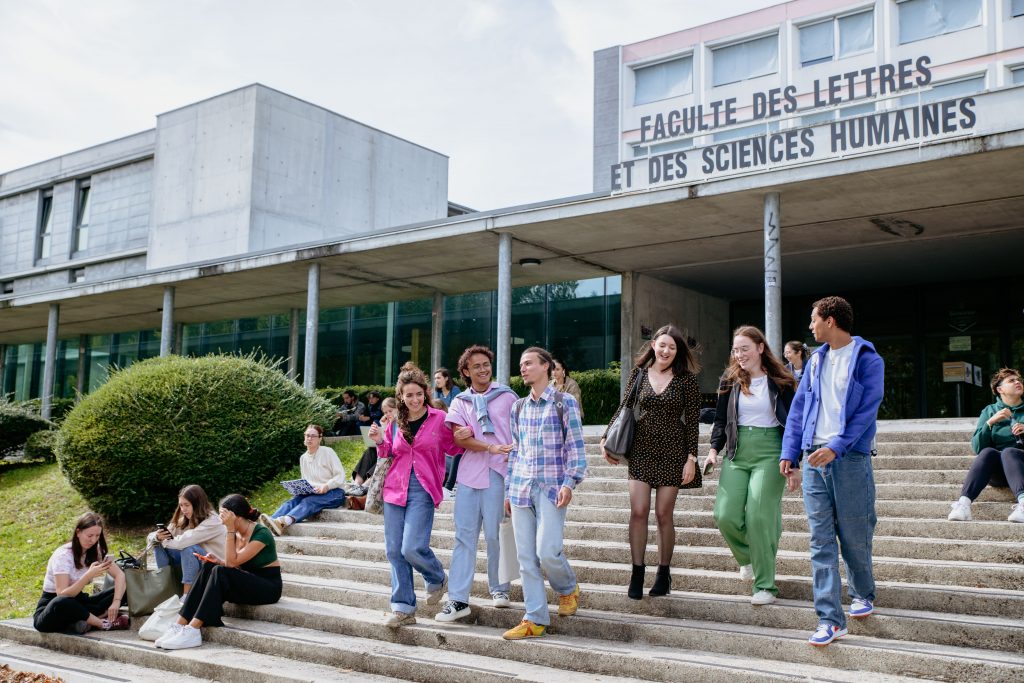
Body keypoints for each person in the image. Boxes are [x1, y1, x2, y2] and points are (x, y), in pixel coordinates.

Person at [780, 296, 884, 647]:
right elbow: (798, 410)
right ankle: (829, 618)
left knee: (855, 533)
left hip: (849, 458)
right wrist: (789, 452)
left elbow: (866, 411)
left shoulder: (868, 359)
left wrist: (837, 446)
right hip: (812, 459)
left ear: (830, 320)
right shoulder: (813, 362)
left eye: (814, 320)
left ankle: (862, 592)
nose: (810, 326)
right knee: (820, 540)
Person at [600, 324, 701, 600]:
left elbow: (693, 423)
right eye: (662, 344)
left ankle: (663, 573)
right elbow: (624, 407)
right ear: (653, 345)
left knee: (663, 515)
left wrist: (691, 459)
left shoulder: (686, 380)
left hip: (673, 452)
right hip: (641, 450)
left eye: (672, 347)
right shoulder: (640, 373)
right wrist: (606, 436)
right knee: (639, 511)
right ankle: (637, 572)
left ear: (677, 350)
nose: (666, 350)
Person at [706, 326, 797, 605]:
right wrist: (712, 450)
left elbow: (794, 423)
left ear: (760, 347)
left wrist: (794, 461)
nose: (739, 354)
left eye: (744, 348)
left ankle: (765, 585)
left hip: (771, 451)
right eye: (735, 350)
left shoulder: (781, 380)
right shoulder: (730, 380)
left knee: (759, 516)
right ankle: (748, 556)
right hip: (737, 450)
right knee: (725, 514)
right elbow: (721, 420)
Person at [369, 362, 464, 628]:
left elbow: (453, 448)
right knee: (394, 550)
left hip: (423, 488)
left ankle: (436, 577)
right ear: (401, 396)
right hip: (394, 489)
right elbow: (388, 452)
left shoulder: (439, 419)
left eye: (418, 394)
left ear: (425, 393)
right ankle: (403, 608)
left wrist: (465, 436)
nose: (414, 399)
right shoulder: (395, 422)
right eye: (408, 395)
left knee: (411, 547)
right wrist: (378, 440)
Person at [502, 346, 586, 640]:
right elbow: (516, 451)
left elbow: (576, 447)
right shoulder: (518, 408)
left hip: (552, 488)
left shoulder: (565, 403)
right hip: (522, 488)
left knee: (547, 551)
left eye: (528, 363)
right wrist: (509, 490)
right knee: (526, 557)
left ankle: (567, 588)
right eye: (521, 364)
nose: (523, 368)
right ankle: (535, 618)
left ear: (546, 367)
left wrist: (569, 482)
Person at [435, 344, 518, 623]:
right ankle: (458, 600)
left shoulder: (507, 396)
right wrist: (487, 446)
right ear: (466, 372)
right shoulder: (461, 402)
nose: (483, 369)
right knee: (464, 537)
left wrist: (495, 451)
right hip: (470, 475)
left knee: (497, 534)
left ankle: (501, 588)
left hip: (500, 473)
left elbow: (520, 433)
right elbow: (457, 438)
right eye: (476, 366)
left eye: (486, 364)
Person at [156, 494, 282, 650]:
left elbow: (232, 562)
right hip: (248, 580)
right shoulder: (235, 533)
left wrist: (229, 532)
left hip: (268, 587)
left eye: (224, 516)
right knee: (211, 567)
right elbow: (232, 564)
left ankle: (193, 629)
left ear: (235, 516)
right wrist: (218, 561)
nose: (222, 521)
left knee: (220, 572)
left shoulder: (262, 534)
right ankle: (179, 624)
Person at [947, 368, 1024, 523]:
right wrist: (990, 423)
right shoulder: (990, 411)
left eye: (1019, 380)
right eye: (1011, 380)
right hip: (1000, 473)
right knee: (988, 452)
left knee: (1009, 452)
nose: (1018, 382)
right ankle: (963, 504)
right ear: (1000, 389)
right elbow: (977, 448)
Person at [34, 512, 128, 633]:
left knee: (128, 587)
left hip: (79, 603)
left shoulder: (96, 551)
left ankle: (83, 622)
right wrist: (88, 575)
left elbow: (120, 575)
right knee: (63, 602)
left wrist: (116, 602)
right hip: (53, 608)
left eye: (97, 536)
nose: (93, 540)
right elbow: (62, 594)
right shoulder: (63, 556)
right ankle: (102, 623)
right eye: (90, 536)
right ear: (78, 532)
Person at [262, 424, 345, 536]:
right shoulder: (303, 458)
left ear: (320, 438)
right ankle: (268, 523)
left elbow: (340, 475)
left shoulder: (327, 452)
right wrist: (300, 489)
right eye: (307, 435)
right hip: (314, 492)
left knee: (308, 502)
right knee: (292, 502)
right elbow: (306, 480)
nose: (309, 438)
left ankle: (283, 522)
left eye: (313, 436)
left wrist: (327, 486)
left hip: (335, 493)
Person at [149, 484, 226, 597]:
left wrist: (164, 540)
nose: (183, 509)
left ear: (198, 504)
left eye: (187, 505)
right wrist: (157, 537)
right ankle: (165, 588)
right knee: (157, 545)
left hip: (215, 566)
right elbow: (150, 539)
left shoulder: (212, 521)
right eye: (181, 505)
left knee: (189, 549)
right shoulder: (186, 519)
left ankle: (187, 595)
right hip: (199, 562)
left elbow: (182, 542)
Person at [351, 397, 397, 487]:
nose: (388, 414)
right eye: (385, 412)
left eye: (390, 411)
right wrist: (383, 426)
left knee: (384, 459)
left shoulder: (401, 424)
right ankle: (357, 483)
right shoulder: (389, 423)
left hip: (394, 455)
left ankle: (367, 484)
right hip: (386, 451)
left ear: (398, 409)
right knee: (370, 451)